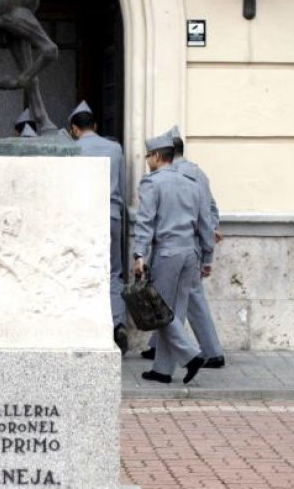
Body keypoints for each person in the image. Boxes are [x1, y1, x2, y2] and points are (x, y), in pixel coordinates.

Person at [131, 128, 216, 385]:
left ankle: (190, 356)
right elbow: (206, 224)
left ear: (157, 156)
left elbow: (145, 223)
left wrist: (139, 255)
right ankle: (163, 370)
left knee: (160, 312)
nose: (147, 161)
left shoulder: (152, 182)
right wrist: (208, 258)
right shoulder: (192, 184)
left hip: (167, 253)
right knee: (174, 312)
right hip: (190, 253)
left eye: (148, 156)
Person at [67, 101, 127, 354]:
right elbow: (122, 186)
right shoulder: (115, 148)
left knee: (80, 270)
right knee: (113, 272)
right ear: (96, 125)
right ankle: (118, 325)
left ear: (74, 129)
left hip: (82, 219)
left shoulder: (71, 149)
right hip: (112, 214)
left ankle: (85, 328)